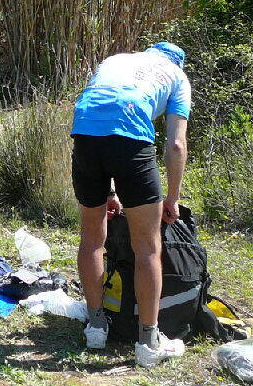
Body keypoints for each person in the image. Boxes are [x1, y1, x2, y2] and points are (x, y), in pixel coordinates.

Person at [70, 41, 190, 368]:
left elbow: (101, 122)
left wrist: (110, 190)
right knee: (147, 248)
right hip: (131, 141)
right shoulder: (177, 77)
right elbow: (176, 145)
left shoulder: (116, 60)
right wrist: (172, 198)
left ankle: (96, 328)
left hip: (85, 136)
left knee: (92, 240)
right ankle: (149, 343)